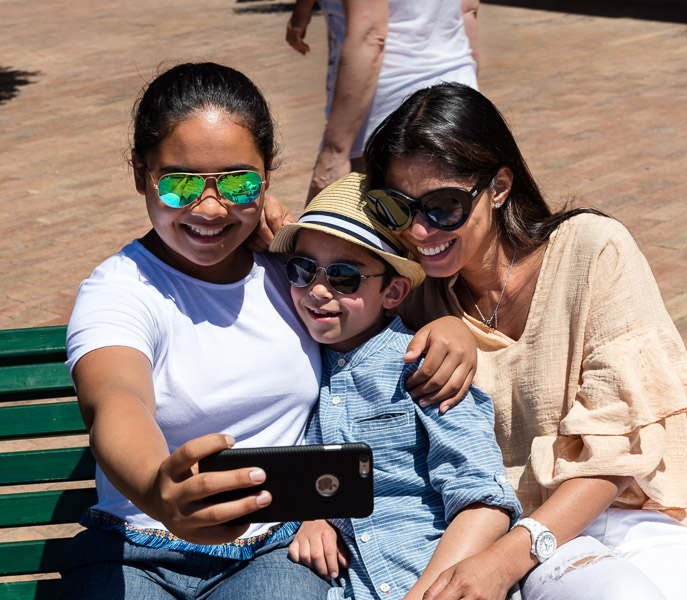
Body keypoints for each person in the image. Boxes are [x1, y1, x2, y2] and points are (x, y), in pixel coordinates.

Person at [56, 62, 477, 599]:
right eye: (180, 184)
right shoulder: (120, 290)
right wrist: (159, 493)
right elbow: (117, 399)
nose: (210, 207)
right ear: (141, 175)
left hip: (277, 544)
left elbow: (377, 292)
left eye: (237, 182)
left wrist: (444, 323)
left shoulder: (296, 272)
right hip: (140, 545)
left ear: (267, 177)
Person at [361, 82, 687, 600]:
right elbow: (320, 258)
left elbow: (618, 446)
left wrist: (500, 563)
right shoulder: (408, 289)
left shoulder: (591, 249)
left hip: (646, 510)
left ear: (498, 187)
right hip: (533, 534)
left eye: (443, 206)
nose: (420, 230)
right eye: (396, 207)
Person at [269, 172, 521, 600]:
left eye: (345, 277)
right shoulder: (293, 370)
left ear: (394, 291)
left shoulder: (424, 364)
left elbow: (484, 500)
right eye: (302, 269)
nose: (317, 290)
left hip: (441, 584)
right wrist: (312, 514)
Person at [285, 0, 478, 202]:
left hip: (384, 119)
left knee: (331, 227)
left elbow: (370, 34)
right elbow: (468, 9)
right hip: (457, 97)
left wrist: (335, 152)